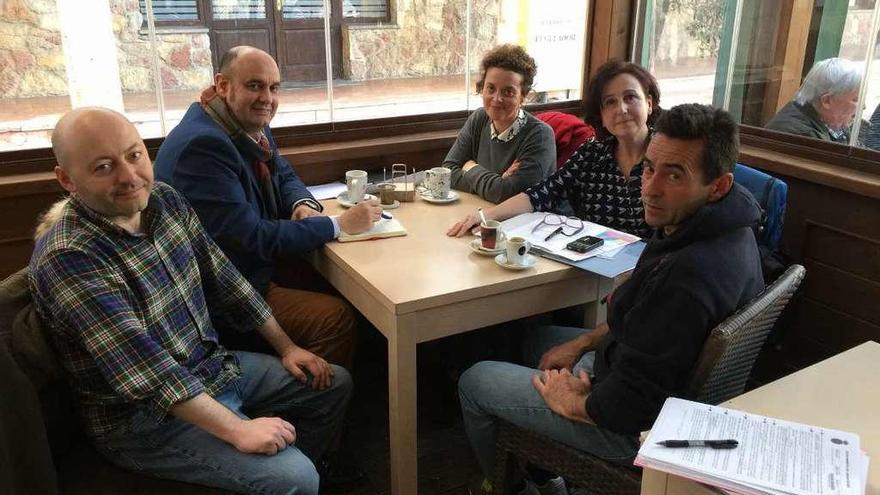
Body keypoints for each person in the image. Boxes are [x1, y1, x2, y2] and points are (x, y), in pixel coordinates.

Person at [30, 107, 353, 495]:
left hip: (211, 368)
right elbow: (147, 371)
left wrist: (287, 347)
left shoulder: (164, 201)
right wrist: (237, 430)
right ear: (67, 179)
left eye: (134, 156)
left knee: (332, 384)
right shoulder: (70, 256)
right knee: (295, 478)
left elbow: (226, 279)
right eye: (103, 167)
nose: (130, 177)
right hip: (143, 421)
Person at [458, 104, 764, 495]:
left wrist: (576, 404)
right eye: (650, 168)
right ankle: (546, 472)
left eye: (674, 175)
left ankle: (511, 487)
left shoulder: (687, 278)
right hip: (648, 384)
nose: (650, 188)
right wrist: (584, 342)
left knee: (475, 379)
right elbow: (646, 328)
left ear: (718, 185)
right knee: (537, 340)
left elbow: (633, 405)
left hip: (636, 430)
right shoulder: (726, 227)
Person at [155, 46, 382, 369]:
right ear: (222, 85)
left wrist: (301, 203)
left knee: (356, 286)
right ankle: (315, 406)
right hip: (225, 294)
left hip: (253, 265)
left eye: (274, 88)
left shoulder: (240, 122)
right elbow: (251, 237)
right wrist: (337, 224)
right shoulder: (202, 146)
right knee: (335, 317)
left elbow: (282, 171)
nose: (267, 98)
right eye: (255, 86)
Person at [447, 61, 660, 240]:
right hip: (595, 266)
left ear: (649, 103)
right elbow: (541, 193)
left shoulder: (665, 156)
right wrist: (484, 216)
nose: (621, 109)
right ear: (602, 114)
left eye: (630, 97)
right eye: (610, 102)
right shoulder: (593, 154)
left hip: (652, 270)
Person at [443, 44, 556, 203]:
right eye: (490, 88)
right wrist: (496, 182)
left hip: (536, 223)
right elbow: (447, 171)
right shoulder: (479, 118)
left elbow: (508, 195)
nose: (496, 99)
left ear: (523, 96)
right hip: (484, 212)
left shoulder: (540, 135)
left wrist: (470, 167)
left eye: (508, 92)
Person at [766, 57, 862, 144]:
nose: (863, 106)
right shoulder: (803, 137)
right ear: (827, 101)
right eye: (856, 100)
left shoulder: (834, 123)